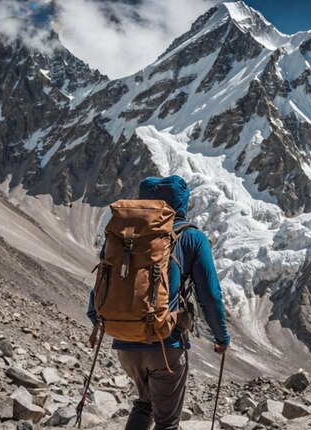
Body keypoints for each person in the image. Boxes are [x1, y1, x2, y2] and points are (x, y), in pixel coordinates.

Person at [86, 175, 231, 430]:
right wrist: (221, 338)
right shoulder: (191, 237)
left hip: (124, 342)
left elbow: (102, 282)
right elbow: (210, 295)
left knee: (144, 404)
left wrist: (103, 320)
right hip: (166, 344)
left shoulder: (122, 233)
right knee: (166, 423)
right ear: (182, 202)